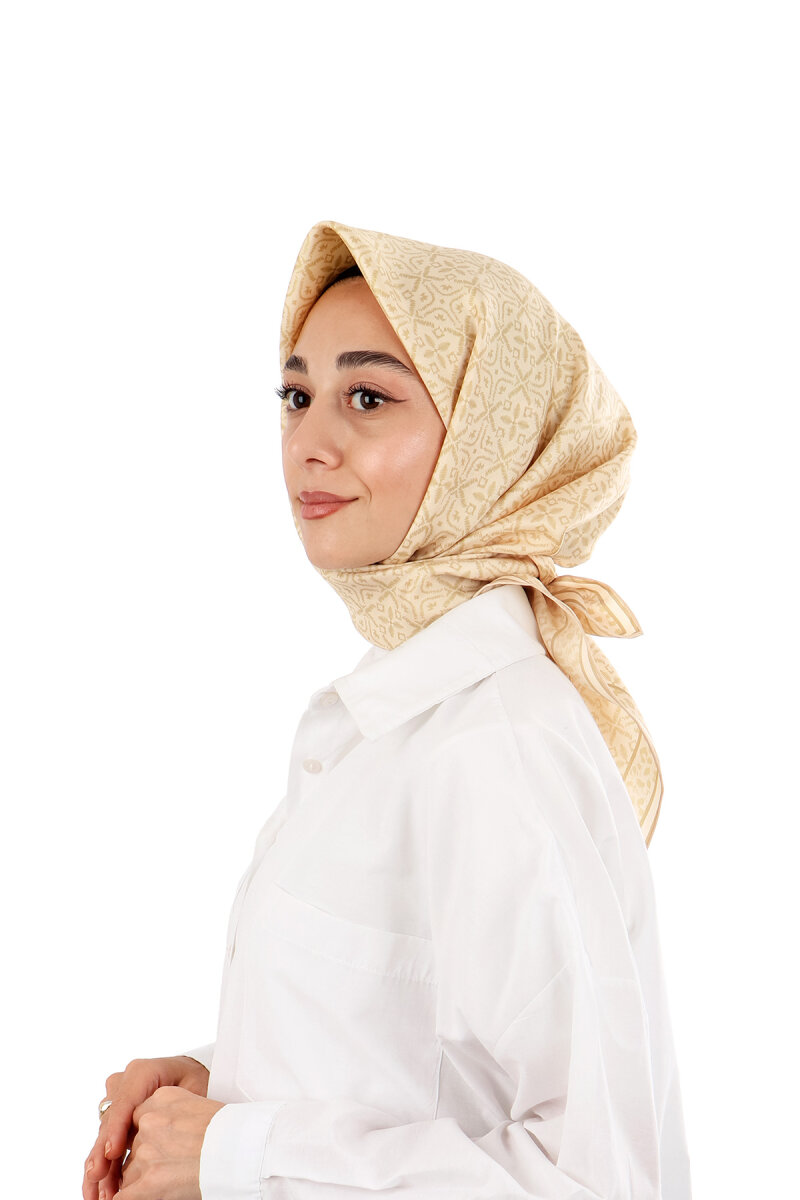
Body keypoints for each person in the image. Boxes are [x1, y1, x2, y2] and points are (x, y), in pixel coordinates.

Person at [83, 221, 692, 1200]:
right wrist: (217, 1086)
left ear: (490, 439)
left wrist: (236, 1154)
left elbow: (591, 1180)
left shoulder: (494, 744)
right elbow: (423, 1065)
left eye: (367, 397)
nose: (308, 443)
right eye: (296, 396)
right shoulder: (388, 714)